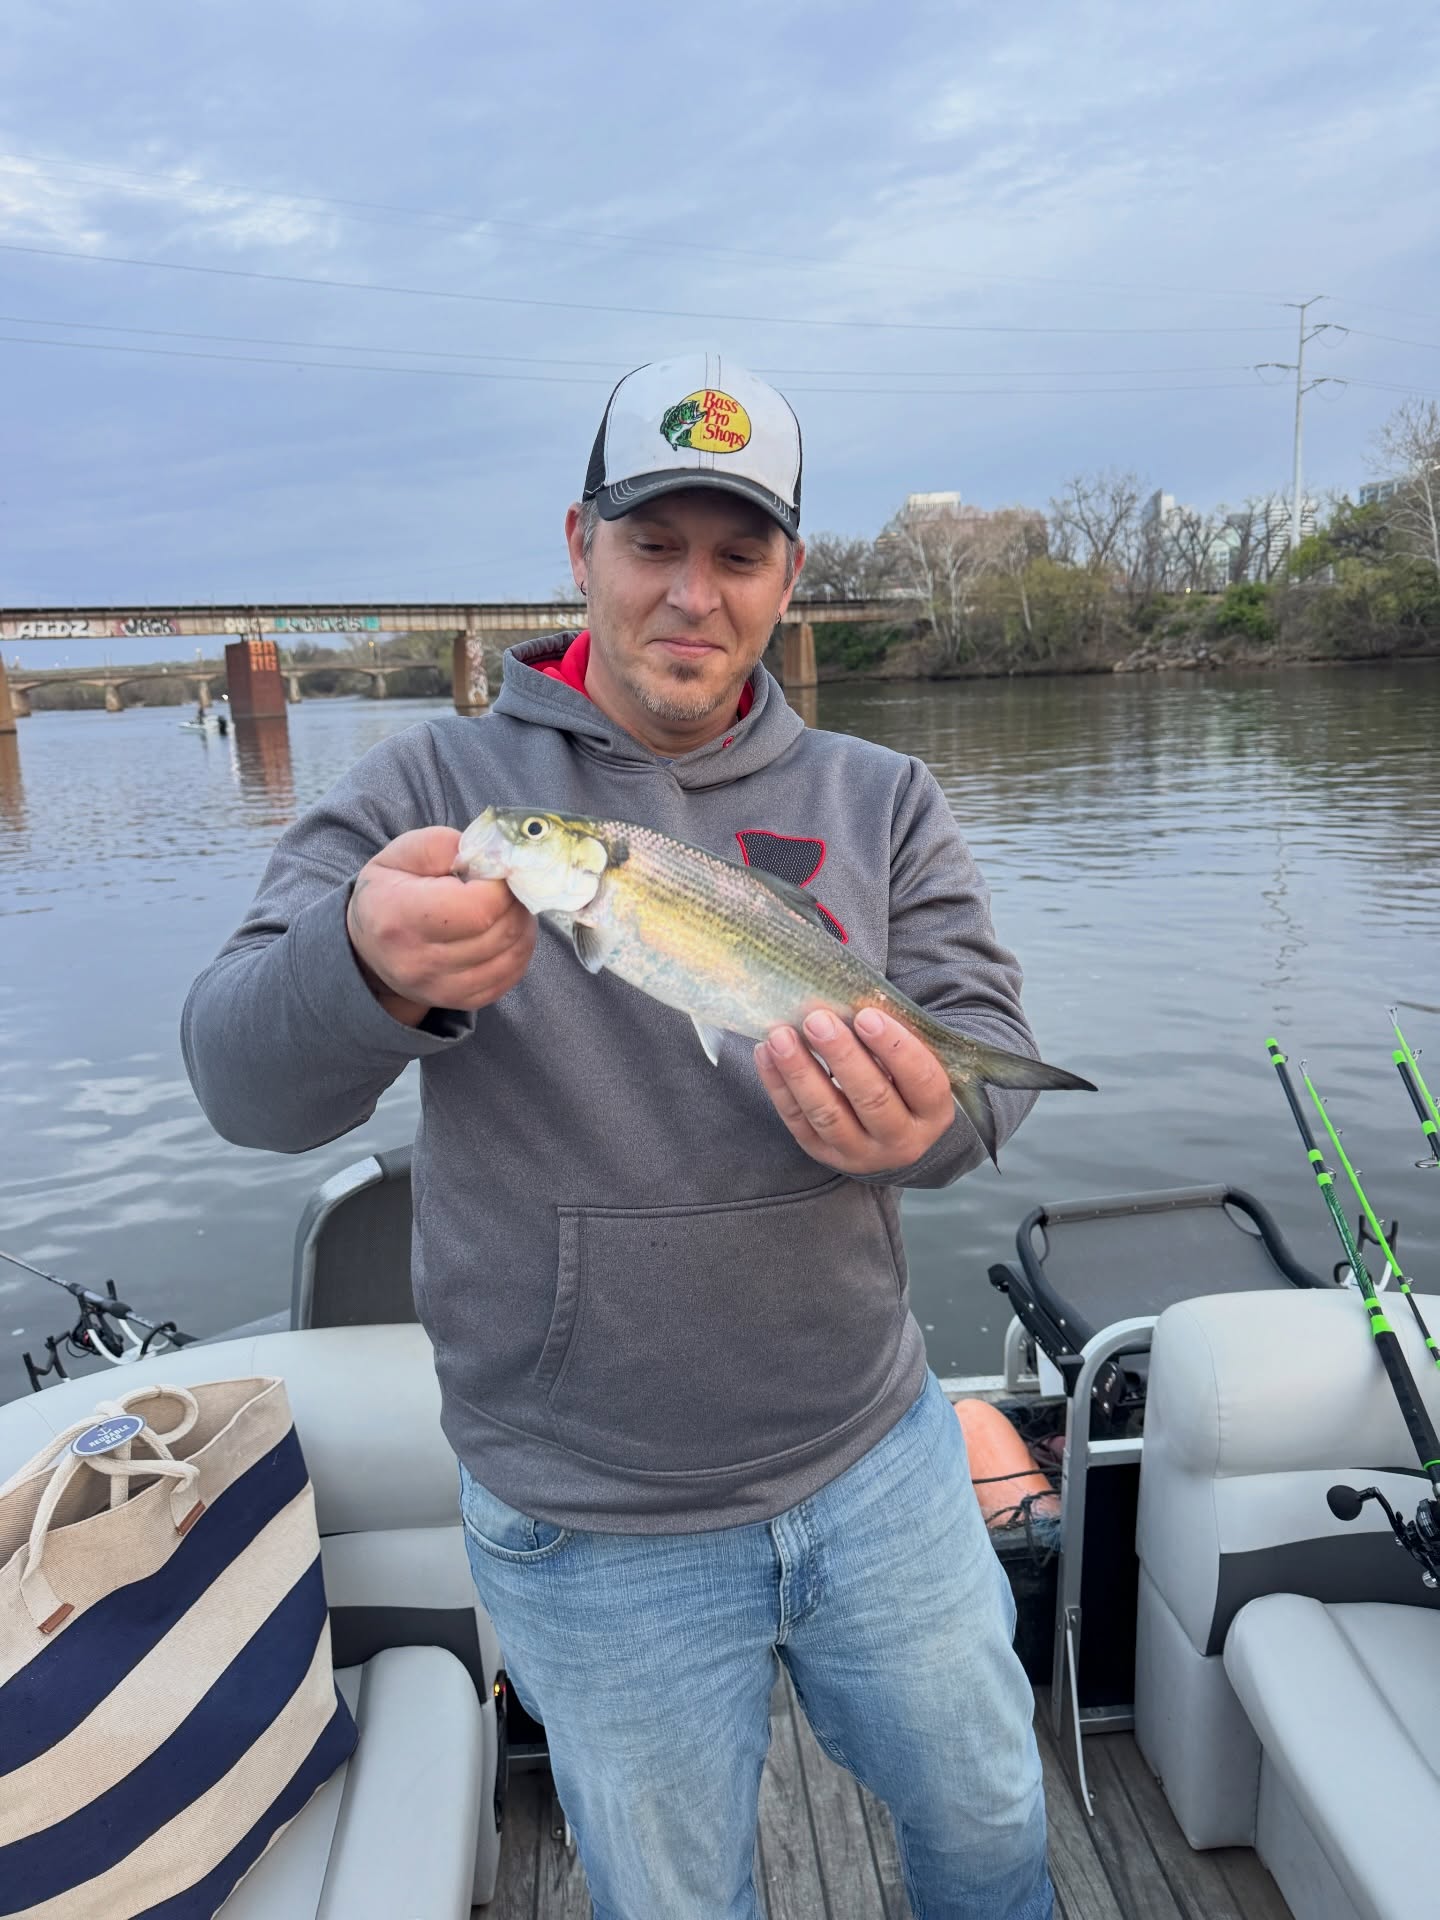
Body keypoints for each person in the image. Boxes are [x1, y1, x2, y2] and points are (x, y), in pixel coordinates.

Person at [182, 353, 1056, 1920]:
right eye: (653, 545)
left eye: (738, 554)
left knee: (993, 1835)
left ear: (791, 575)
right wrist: (365, 973)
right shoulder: (435, 788)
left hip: (879, 1457)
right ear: (578, 544)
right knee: (675, 1902)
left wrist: (930, 1124)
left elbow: (985, 1080)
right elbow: (241, 1081)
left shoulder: (886, 796)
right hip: (588, 1518)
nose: (691, 597)